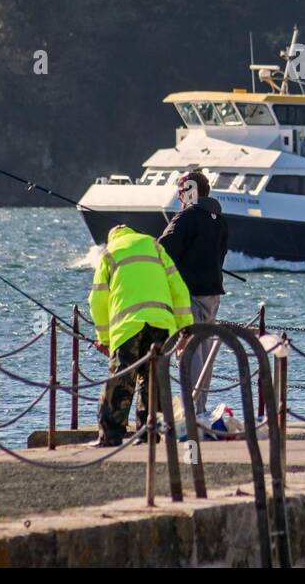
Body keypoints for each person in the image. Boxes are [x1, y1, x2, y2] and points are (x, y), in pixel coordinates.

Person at [89, 222, 193, 446]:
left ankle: (110, 436)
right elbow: (179, 289)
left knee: (121, 381)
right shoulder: (154, 246)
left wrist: (104, 339)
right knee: (154, 380)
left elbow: (97, 300)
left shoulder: (108, 253)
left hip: (128, 326)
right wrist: (184, 330)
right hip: (161, 325)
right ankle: (149, 434)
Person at [158, 170, 229, 413]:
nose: (179, 198)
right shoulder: (218, 220)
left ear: (191, 190)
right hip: (213, 295)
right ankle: (200, 407)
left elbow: (163, 251)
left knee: (189, 351)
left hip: (190, 295)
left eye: (181, 192)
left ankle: (194, 411)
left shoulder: (185, 217)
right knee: (205, 351)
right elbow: (220, 254)